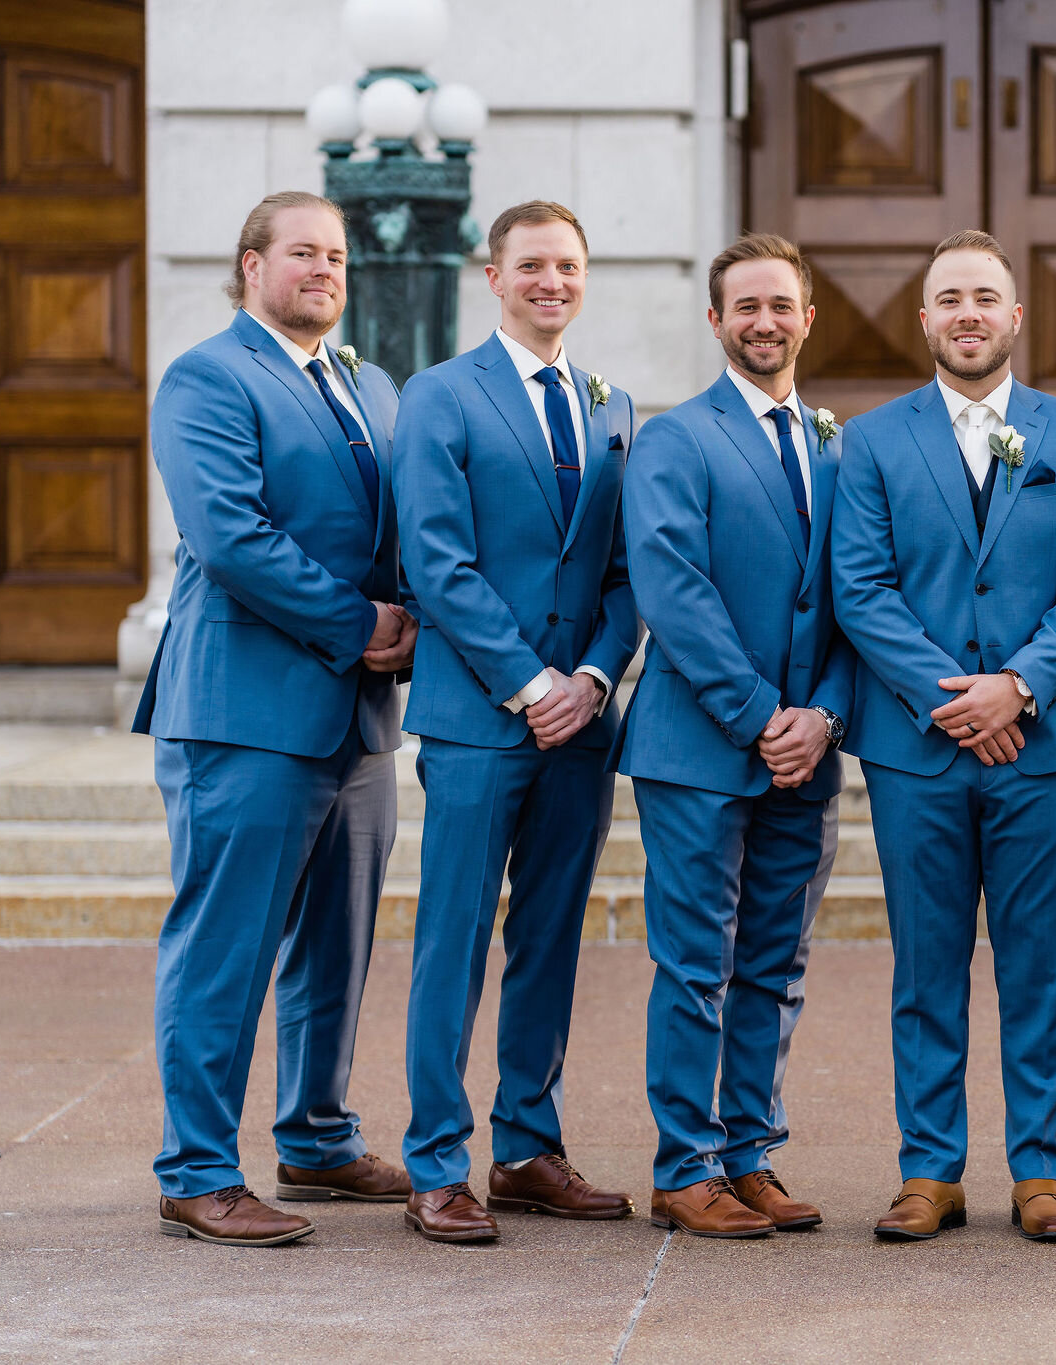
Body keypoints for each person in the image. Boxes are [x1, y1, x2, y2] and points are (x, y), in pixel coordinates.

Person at [831, 229, 1056, 1243]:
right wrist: (952, 702)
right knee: (925, 961)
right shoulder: (867, 442)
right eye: (947, 297)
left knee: (1039, 963)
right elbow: (858, 590)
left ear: (1013, 316)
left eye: (983, 296)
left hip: (1042, 749)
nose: (966, 312)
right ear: (924, 320)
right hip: (917, 749)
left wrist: (1021, 687)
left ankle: (1040, 1170)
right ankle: (929, 1169)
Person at [137, 190, 414, 1246]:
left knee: (335, 946)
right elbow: (232, 535)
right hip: (243, 712)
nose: (325, 271)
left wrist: (418, 616)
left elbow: (406, 523)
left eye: (337, 255)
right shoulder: (209, 377)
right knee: (225, 947)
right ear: (251, 267)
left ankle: (317, 1136)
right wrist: (359, 622)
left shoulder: (367, 383)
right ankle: (197, 1169)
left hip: (357, 718)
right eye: (303, 253)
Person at [390, 201, 640, 1243]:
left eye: (568, 265)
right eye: (532, 265)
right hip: (479, 719)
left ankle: (528, 1147)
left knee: (549, 939)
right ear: (491, 277)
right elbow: (434, 561)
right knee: (452, 939)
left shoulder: (612, 402)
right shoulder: (439, 396)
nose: (552, 281)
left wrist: (588, 675)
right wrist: (529, 686)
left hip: (580, 725)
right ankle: (436, 1164)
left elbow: (628, 572)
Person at [620, 233, 853, 1238]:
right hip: (699, 751)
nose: (764, 322)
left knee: (775, 961)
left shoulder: (836, 447)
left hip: (808, 753)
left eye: (780, 305)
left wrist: (826, 715)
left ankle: (750, 1152)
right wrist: (763, 718)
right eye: (743, 307)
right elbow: (674, 592)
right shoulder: (676, 439)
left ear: (808, 316)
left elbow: (859, 598)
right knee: (694, 962)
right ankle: (685, 1166)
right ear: (715, 322)